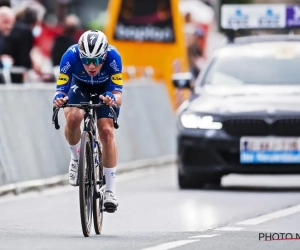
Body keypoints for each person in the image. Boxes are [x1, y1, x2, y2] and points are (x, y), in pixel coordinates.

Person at [53, 30, 122, 211]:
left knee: (106, 131)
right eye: (87, 61)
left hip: (105, 90)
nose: (92, 66)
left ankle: (110, 190)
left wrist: (112, 99)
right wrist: (59, 99)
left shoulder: (114, 57)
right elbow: (61, 89)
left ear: (105, 56)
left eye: (97, 61)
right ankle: (76, 158)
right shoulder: (70, 56)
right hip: (79, 85)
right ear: (80, 56)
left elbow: (118, 94)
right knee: (74, 117)